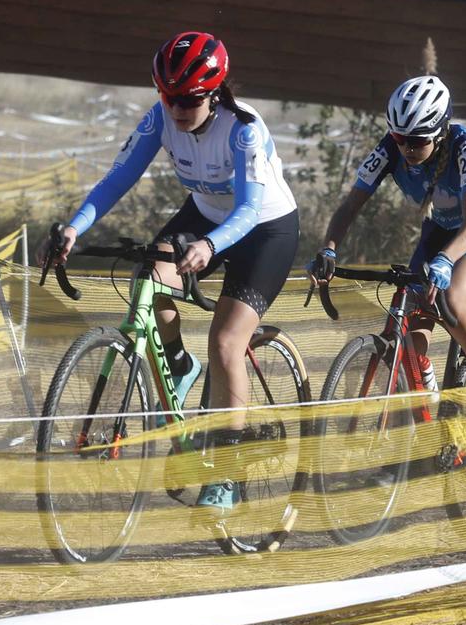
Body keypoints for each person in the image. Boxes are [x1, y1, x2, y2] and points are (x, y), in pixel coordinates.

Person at [40, 33, 299, 512]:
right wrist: (74, 228)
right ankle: (178, 366)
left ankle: (228, 468)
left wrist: (209, 246)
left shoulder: (243, 129)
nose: (177, 108)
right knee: (147, 275)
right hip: (204, 213)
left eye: (188, 99)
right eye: (168, 96)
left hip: (263, 228)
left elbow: (246, 209)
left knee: (225, 341)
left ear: (214, 92)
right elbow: (118, 178)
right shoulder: (161, 116)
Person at [310, 76, 466, 386]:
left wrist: (446, 261)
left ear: (440, 131)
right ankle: (426, 398)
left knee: (453, 298)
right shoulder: (391, 149)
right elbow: (350, 206)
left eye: (417, 140)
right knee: (410, 325)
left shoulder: (464, 146)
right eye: (398, 137)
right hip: (441, 231)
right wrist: (329, 249)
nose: (406, 147)